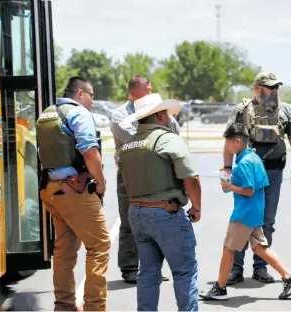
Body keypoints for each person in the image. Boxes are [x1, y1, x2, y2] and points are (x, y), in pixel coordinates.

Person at [200, 124, 291, 301]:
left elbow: (248, 190)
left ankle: (220, 288)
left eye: (228, 143)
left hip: (244, 213)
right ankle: (289, 277)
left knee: (228, 249)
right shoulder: (253, 158)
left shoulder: (244, 163)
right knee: (260, 248)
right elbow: (255, 184)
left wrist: (229, 186)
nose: (227, 147)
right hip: (255, 211)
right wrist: (230, 182)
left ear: (238, 141)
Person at [119, 93, 202, 311]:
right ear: (160, 115)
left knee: (147, 272)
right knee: (184, 272)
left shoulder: (128, 145)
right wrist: (197, 208)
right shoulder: (168, 139)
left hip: (137, 213)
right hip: (166, 213)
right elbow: (191, 178)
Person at [36, 76, 110, 311]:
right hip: (75, 191)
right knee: (99, 246)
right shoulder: (78, 113)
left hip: (51, 189)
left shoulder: (48, 113)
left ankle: (65, 305)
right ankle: (95, 308)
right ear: (81, 94)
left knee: (64, 250)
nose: (91, 101)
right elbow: (89, 151)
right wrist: (100, 182)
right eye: (91, 96)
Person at [223, 71, 291, 285]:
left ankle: (260, 267)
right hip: (247, 174)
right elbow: (229, 140)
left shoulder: (285, 110)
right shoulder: (241, 110)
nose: (274, 91)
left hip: (274, 173)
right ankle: (235, 269)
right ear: (257, 88)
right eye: (270, 87)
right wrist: (227, 168)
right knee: (242, 219)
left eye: (276, 87)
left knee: (267, 221)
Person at [110, 75, 179, 283]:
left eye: (151, 89)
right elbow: (138, 141)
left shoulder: (158, 111)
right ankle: (130, 268)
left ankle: (153, 268)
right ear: (133, 94)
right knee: (130, 221)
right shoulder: (119, 116)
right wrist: (160, 134)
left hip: (157, 174)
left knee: (156, 220)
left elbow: (174, 132)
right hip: (130, 175)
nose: (151, 93)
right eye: (146, 90)